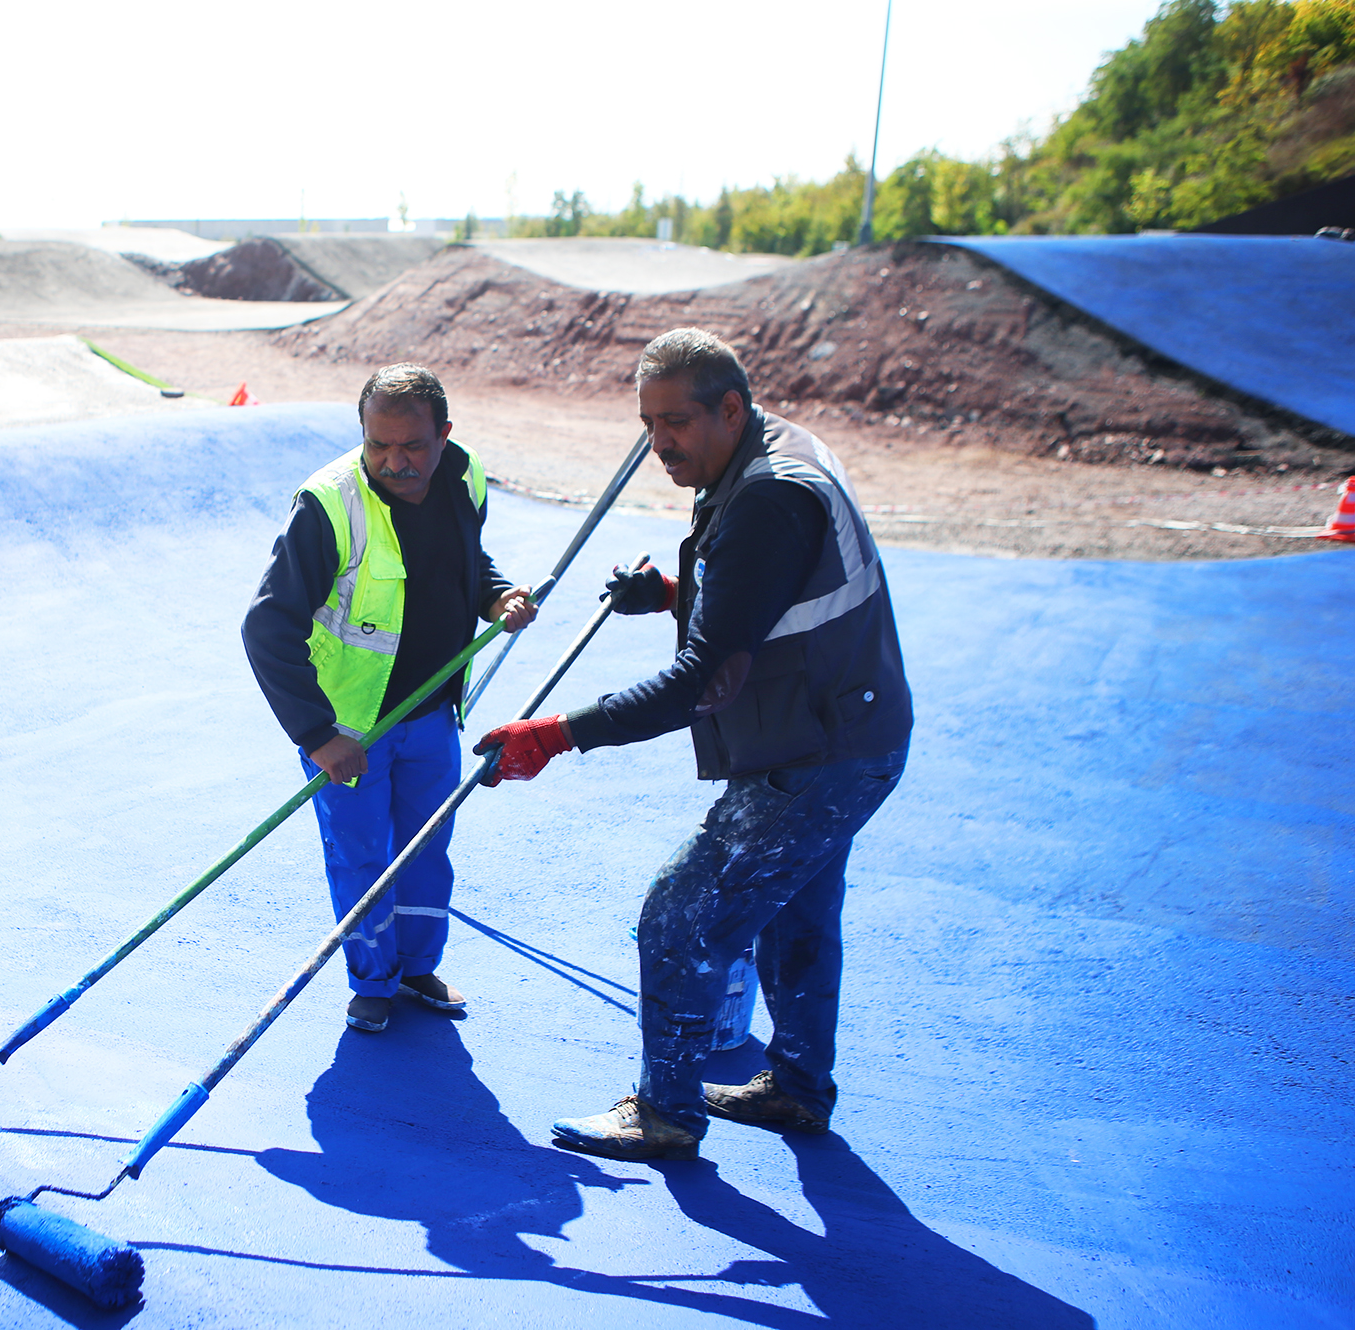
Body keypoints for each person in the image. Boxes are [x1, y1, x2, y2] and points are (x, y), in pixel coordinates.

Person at [474, 327, 913, 1159]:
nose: (659, 443)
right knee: (796, 910)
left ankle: (667, 1112)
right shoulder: (775, 450)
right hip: (852, 731)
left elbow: (697, 681)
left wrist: (555, 735)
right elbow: (777, 583)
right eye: (647, 423)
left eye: (675, 422)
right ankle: (796, 1086)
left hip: (818, 753)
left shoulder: (766, 498)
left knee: (679, 915)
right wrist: (678, 590)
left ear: (731, 408)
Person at [243, 363, 537, 1033]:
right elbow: (265, 626)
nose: (394, 461)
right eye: (378, 445)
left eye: (411, 446)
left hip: (433, 714)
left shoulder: (465, 475)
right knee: (362, 856)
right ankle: (372, 980)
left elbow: (465, 560)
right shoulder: (328, 505)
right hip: (352, 728)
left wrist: (496, 594)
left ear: (444, 436)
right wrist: (318, 734)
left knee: (426, 847)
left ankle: (415, 966)